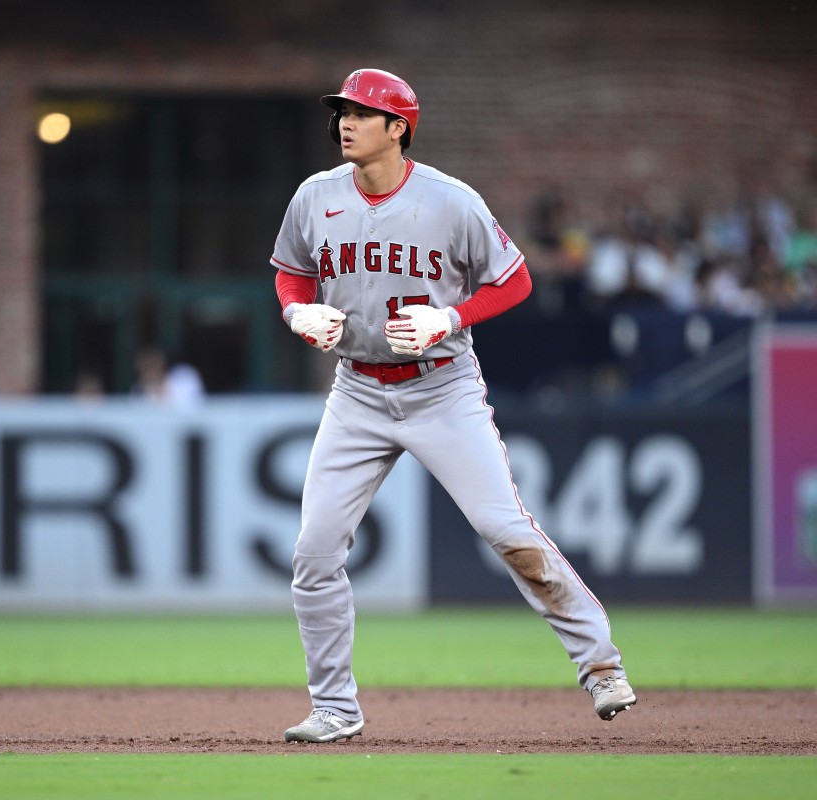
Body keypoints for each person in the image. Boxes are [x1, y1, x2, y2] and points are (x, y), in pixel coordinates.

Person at [269, 69, 636, 743]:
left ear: (398, 127)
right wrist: (298, 313)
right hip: (356, 390)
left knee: (508, 532)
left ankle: (601, 665)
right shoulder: (314, 196)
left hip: (441, 387)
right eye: (341, 112)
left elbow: (515, 279)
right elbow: (291, 271)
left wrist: (451, 318)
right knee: (315, 552)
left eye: (361, 112)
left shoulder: (450, 201)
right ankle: (334, 708)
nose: (345, 122)